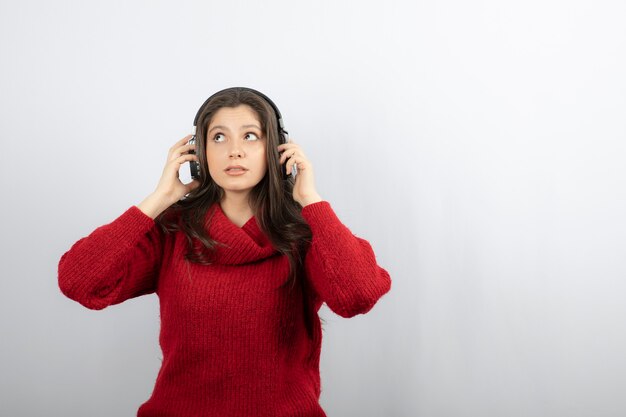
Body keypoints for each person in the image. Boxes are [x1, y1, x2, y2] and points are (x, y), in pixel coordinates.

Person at [57, 87, 392, 417]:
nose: (234, 151)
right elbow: (79, 282)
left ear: (277, 150)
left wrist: (310, 200)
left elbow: (358, 295)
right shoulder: (172, 230)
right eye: (218, 137)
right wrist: (160, 198)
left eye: (251, 136)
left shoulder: (304, 233)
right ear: (198, 153)